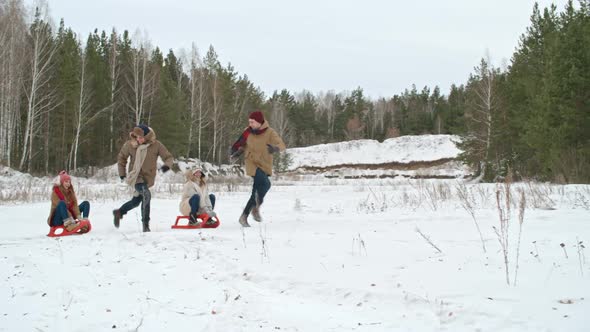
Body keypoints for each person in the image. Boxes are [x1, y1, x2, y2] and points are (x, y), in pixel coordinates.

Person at [113, 124, 174, 232]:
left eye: (141, 137)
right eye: (136, 137)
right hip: (136, 176)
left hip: (148, 178)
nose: (138, 140)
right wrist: (122, 173)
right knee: (146, 194)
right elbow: (121, 158)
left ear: (147, 136)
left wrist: (166, 166)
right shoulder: (130, 145)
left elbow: (168, 157)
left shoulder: (156, 145)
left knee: (136, 201)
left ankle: (119, 212)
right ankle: (145, 225)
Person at [229, 110, 285, 227]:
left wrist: (274, 148)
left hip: (264, 163)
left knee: (262, 188)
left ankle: (246, 214)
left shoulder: (270, 132)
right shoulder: (247, 132)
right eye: (249, 122)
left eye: (253, 122)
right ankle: (253, 209)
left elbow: (281, 145)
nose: (250, 124)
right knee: (264, 183)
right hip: (252, 162)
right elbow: (241, 144)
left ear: (260, 122)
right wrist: (237, 152)